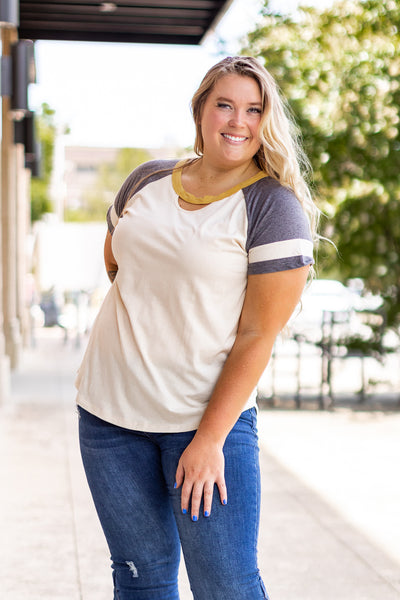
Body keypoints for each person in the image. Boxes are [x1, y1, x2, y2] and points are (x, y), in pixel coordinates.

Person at [75, 56, 317, 600]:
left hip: (205, 426)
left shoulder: (272, 208)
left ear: (266, 121)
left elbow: (259, 335)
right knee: (140, 579)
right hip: (109, 420)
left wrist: (210, 440)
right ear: (201, 111)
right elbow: (118, 264)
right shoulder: (147, 181)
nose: (238, 121)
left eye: (254, 110)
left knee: (225, 585)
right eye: (225, 105)